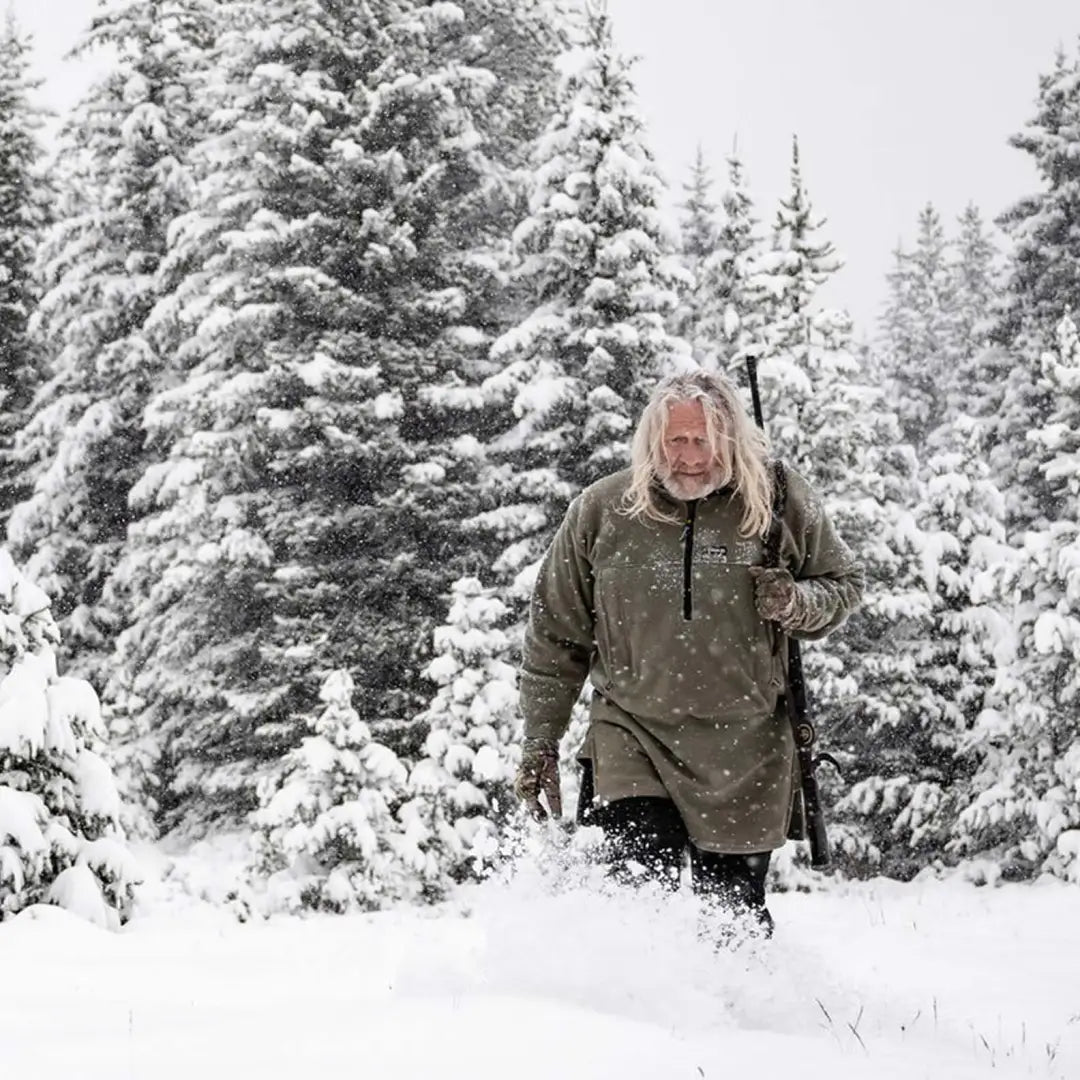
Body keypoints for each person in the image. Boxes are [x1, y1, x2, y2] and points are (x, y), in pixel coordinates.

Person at [513, 369, 863, 935]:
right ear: (652, 440)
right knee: (630, 900)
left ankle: (734, 1017)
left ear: (730, 438)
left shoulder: (776, 499)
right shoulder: (602, 510)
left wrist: (794, 601)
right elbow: (556, 635)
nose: (689, 456)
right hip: (632, 735)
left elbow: (843, 584)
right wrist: (540, 740)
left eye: (703, 440)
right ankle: (628, 1015)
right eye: (675, 440)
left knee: (733, 920)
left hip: (744, 750)